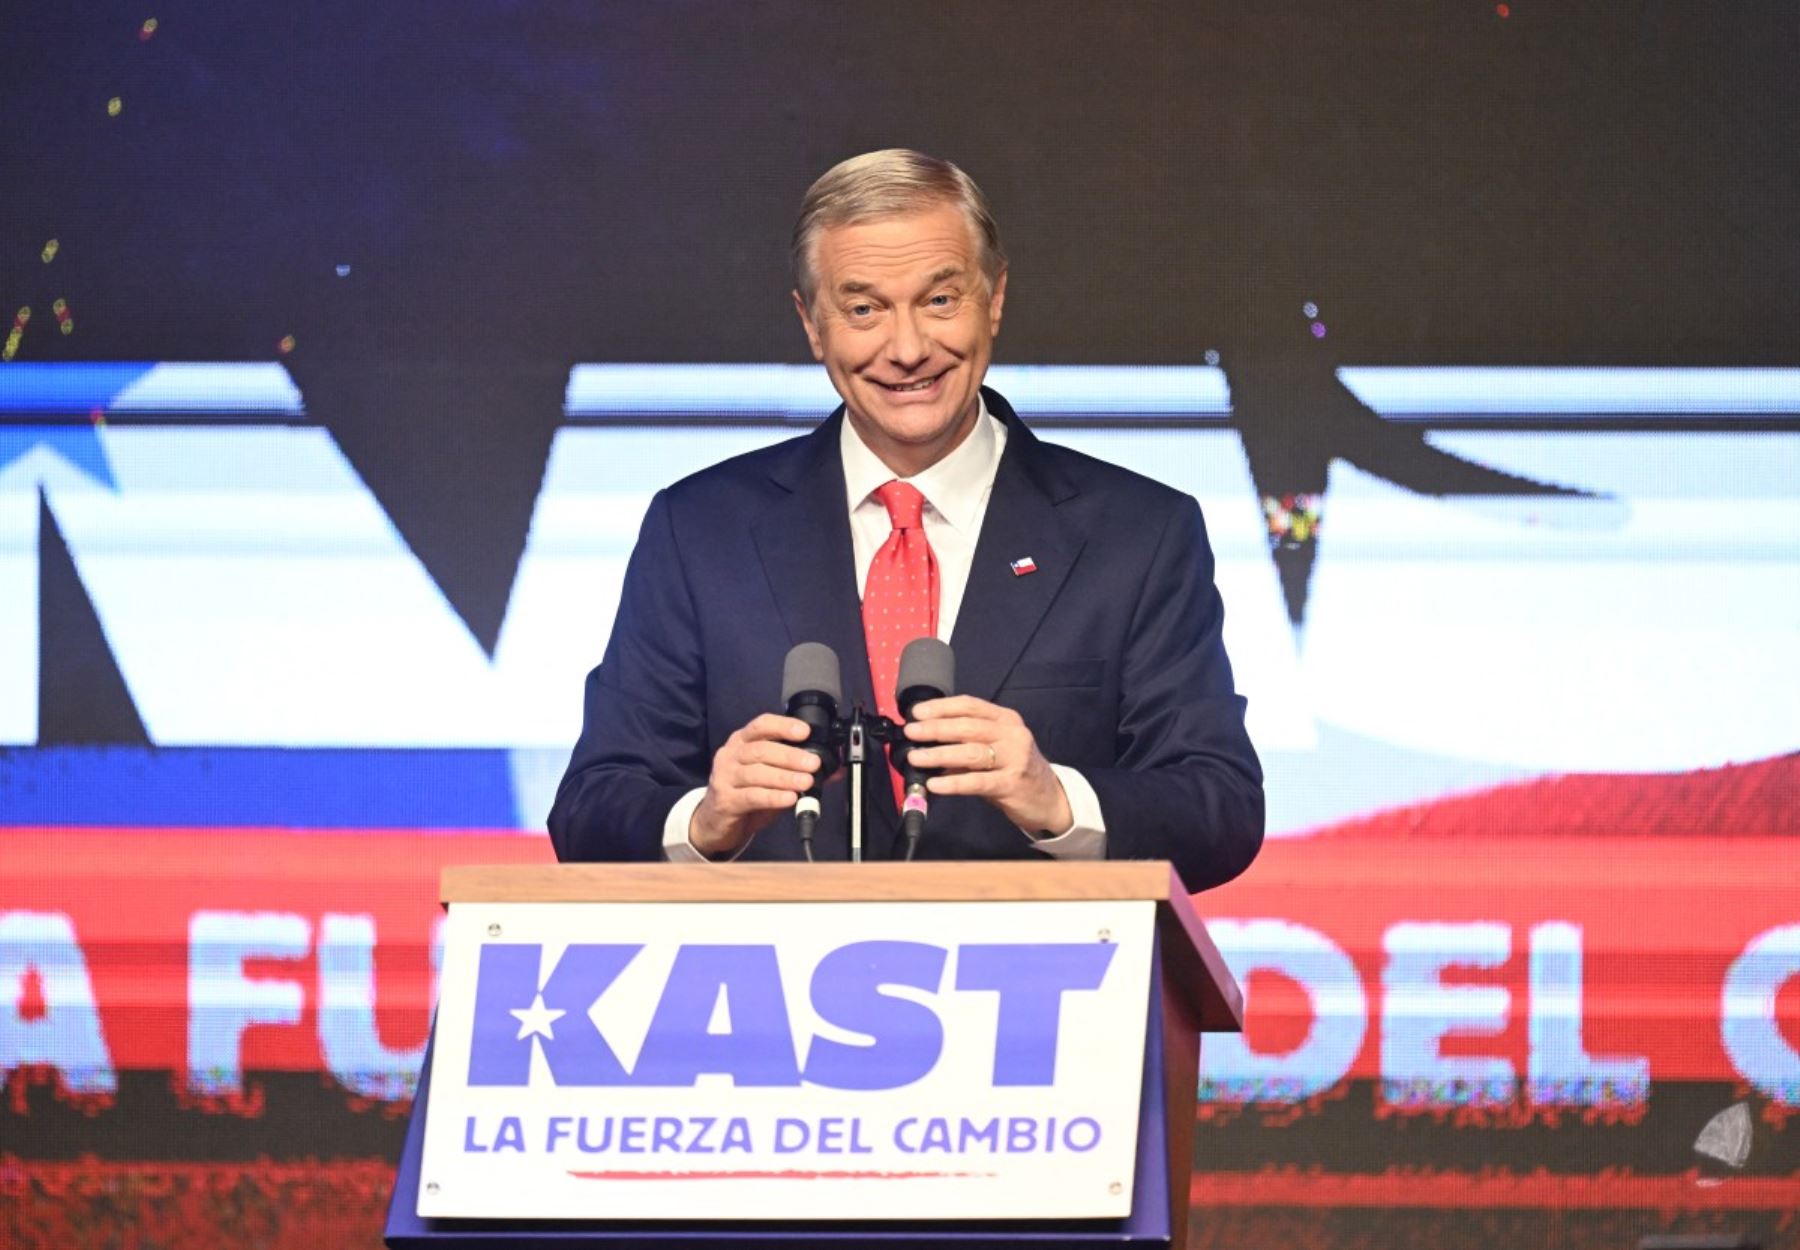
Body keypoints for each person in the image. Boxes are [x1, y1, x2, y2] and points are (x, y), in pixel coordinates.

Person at [548, 149, 1263, 890]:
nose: (909, 349)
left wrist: (1058, 802)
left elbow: (1221, 807)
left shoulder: (1139, 534)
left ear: (995, 298)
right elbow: (591, 810)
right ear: (812, 324)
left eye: (940, 300)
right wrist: (704, 821)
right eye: (864, 310)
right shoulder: (700, 531)